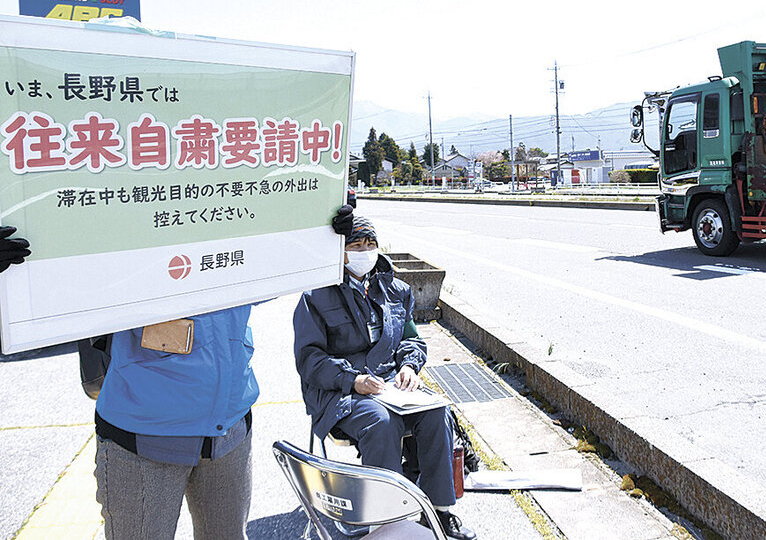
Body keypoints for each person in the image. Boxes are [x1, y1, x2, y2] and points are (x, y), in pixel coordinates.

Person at [0, 207, 354, 540]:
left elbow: (277, 270)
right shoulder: (127, 218)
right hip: (142, 439)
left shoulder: (235, 219)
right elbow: (63, 283)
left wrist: (322, 238)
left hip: (229, 433)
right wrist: (12, 276)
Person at [293, 216, 476, 540]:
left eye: (370, 245)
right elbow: (310, 359)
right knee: (380, 421)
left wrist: (408, 366)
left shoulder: (396, 289)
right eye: (355, 245)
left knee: (437, 412)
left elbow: (411, 339)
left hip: (391, 384)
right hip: (342, 392)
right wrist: (352, 380)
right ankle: (387, 520)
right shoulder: (315, 296)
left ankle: (439, 511)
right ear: (341, 251)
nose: (365, 251)